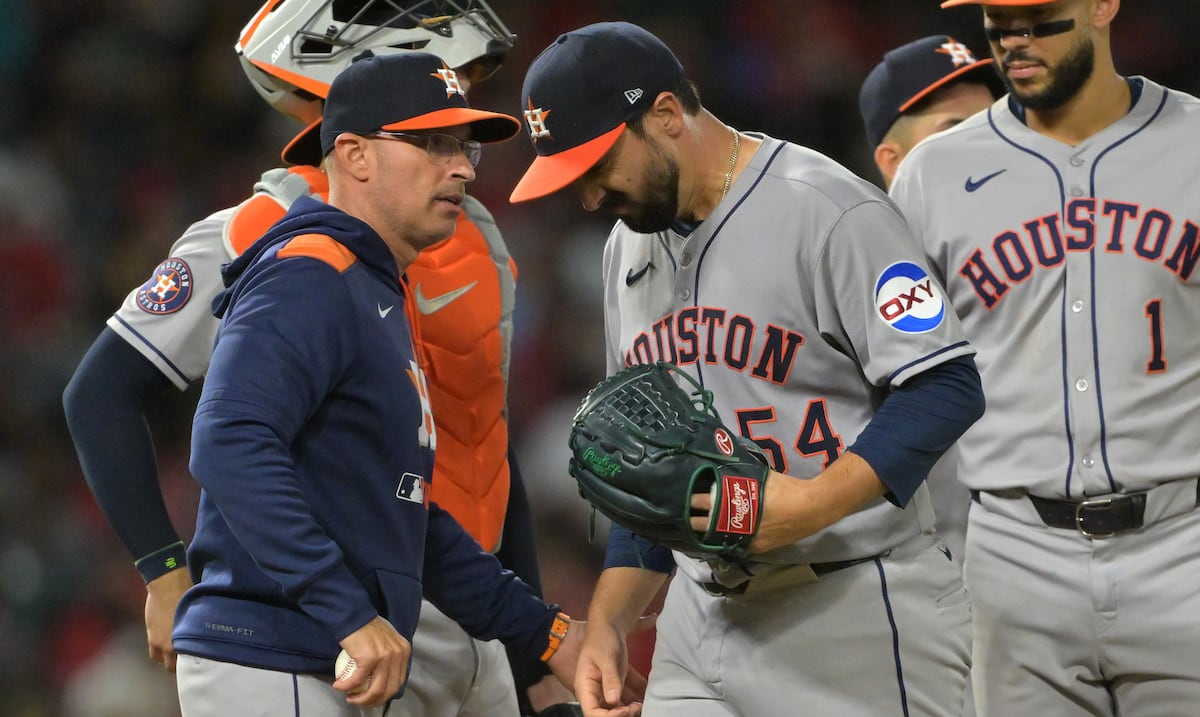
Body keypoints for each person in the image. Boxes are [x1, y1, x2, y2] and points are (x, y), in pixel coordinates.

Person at [62, 1, 577, 714]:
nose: (457, 156)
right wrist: (163, 570)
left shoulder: (465, 239)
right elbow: (119, 399)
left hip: (460, 601)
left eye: (461, 134)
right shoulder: (272, 235)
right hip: (321, 615)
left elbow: (480, 442)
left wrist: (533, 646)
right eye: (431, 131)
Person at [509, 21, 986, 717]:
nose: (587, 199)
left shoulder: (828, 209)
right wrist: (611, 618)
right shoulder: (624, 250)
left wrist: (809, 503)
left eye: (598, 168)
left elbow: (944, 384)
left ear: (666, 115)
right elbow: (650, 465)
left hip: (852, 605)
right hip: (700, 622)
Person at [889, 1, 1200, 715]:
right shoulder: (934, 174)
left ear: (1101, 6)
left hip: (1183, 540)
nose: (1014, 38)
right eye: (998, 17)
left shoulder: (1192, 141)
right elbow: (889, 374)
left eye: (1038, 15)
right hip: (1014, 556)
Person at [858, 35, 1003, 563]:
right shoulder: (858, 281)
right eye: (952, 132)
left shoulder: (1048, 252)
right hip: (932, 568)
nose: (984, 147)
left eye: (993, 124)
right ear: (894, 163)